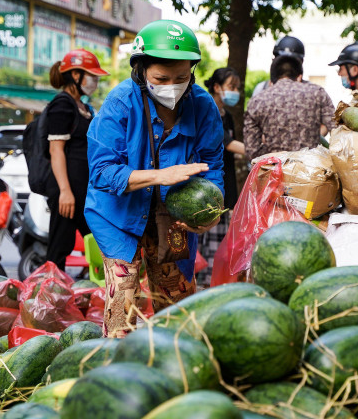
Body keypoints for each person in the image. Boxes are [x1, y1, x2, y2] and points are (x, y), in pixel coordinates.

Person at [85, 20, 224, 338]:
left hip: (174, 220)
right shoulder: (119, 103)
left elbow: (212, 164)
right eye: (161, 78)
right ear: (140, 70)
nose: (172, 86)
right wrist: (161, 176)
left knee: (175, 304)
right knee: (123, 302)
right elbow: (102, 172)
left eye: (182, 77)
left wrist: (209, 213)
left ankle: (174, 369)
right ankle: (117, 371)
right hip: (118, 216)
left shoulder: (203, 107)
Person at [45, 49, 109, 271]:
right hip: (68, 192)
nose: (95, 81)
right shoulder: (62, 104)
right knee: (59, 249)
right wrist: (65, 191)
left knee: (101, 244)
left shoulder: (82, 106)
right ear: (75, 76)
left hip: (85, 192)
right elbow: (56, 150)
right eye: (92, 76)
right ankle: (49, 300)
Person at [199, 67, 245, 286]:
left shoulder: (227, 115)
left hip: (223, 181)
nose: (235, 92)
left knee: (219, 237)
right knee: (205, 236)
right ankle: (202, 282)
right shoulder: (207, 110)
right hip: (206, 183)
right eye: (231, 87)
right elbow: (227, 144)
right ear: (216, 88)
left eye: (237, 88)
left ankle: (212, 281)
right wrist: (258, 151)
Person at [244, 54, 335, 162]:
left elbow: (251, 150)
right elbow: (337, 131)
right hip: (311, 171)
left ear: (272, 80)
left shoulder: (257, 101)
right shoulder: (317, 93)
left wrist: (273, 154)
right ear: (299, 76)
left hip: (275, 173)